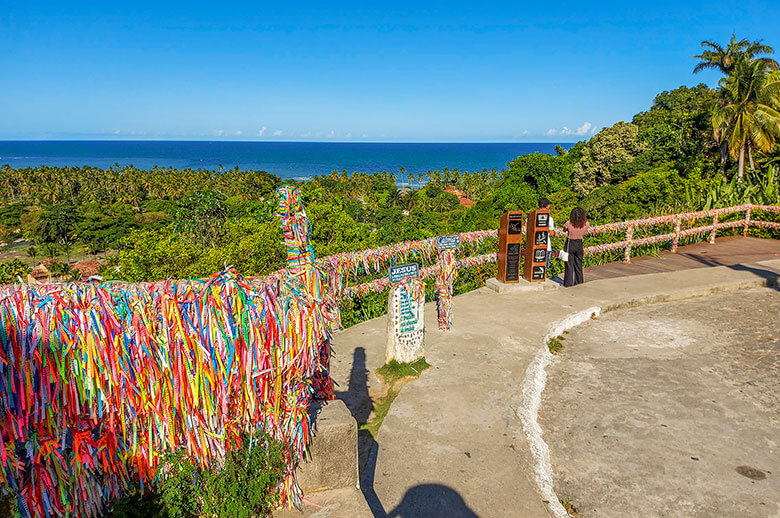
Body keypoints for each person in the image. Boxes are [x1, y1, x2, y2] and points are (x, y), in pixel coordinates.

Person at [562, 207, 589, 287]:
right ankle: (579, 282)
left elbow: (564, 230)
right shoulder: (586, 224)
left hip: (570, 243)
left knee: (569, 265)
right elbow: (586, 229)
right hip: (579, 243)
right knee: (578, 265)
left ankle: (568, 283)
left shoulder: (568, 223)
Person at [538, 197, 556, 269]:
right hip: (546, 245)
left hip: (533, 245)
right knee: (544, 268)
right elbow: (551, 233)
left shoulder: (531, 217)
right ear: (547, 206)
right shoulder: (549, 218)